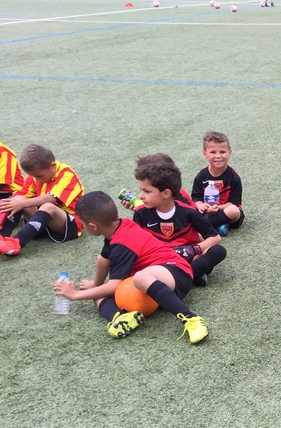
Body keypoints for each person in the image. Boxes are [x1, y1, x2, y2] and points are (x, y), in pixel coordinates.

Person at [53, 191, 208, 343]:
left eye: (83, 223)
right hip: (154, 286)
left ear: (93, 226)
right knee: (97, 294)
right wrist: (95, 285)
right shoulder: (118, 227)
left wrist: (75, 295)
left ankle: (191, 319)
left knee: (139, 278)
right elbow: (103, 259)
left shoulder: (121, 245)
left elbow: (114, 286)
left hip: (177, 272)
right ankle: (119, 317)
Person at [133, 153, 226, 287]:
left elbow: (215, 237)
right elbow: (137, 244)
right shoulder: (140, 213)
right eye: (141, 190)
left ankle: (184, 276)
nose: (141, 196)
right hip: (159, 261)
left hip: (188, 258)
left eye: (146, 191)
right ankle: (192, 275)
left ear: (166, 193)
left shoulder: (188, 212)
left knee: (218, 251)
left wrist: (193, 249)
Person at [0, 143, 83, 257]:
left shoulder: (67, 174)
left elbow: (52, 199)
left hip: (68, 225)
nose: (37, 180)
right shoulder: (35, 177)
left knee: (47, 206)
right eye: (34, 177)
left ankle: (18, 242)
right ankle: (3, 236)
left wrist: (22, 203)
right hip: (43, 223)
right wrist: (16, 202)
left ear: (52, 166)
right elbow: (20, 196)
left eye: (39, 176)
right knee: (16, 200)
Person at [191, 131, 244, 233]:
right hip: (207, 213)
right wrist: (201, 206)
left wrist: (218, 208)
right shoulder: (201, 176)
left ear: (229, 153)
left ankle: (202, 229)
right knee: (188, 210)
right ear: (205, 154)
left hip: (225, 211)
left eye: (222, 152)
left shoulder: (234, 177)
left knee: (233, 211)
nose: (218, 156)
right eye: (213, 152)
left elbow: (234, 203)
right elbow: (196, 198)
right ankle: (217, 226)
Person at [0, 140, 25, 235]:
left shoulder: (4, 153)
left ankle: (3, 235)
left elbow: (1, 184)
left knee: (8, 204)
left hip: (12, 194)